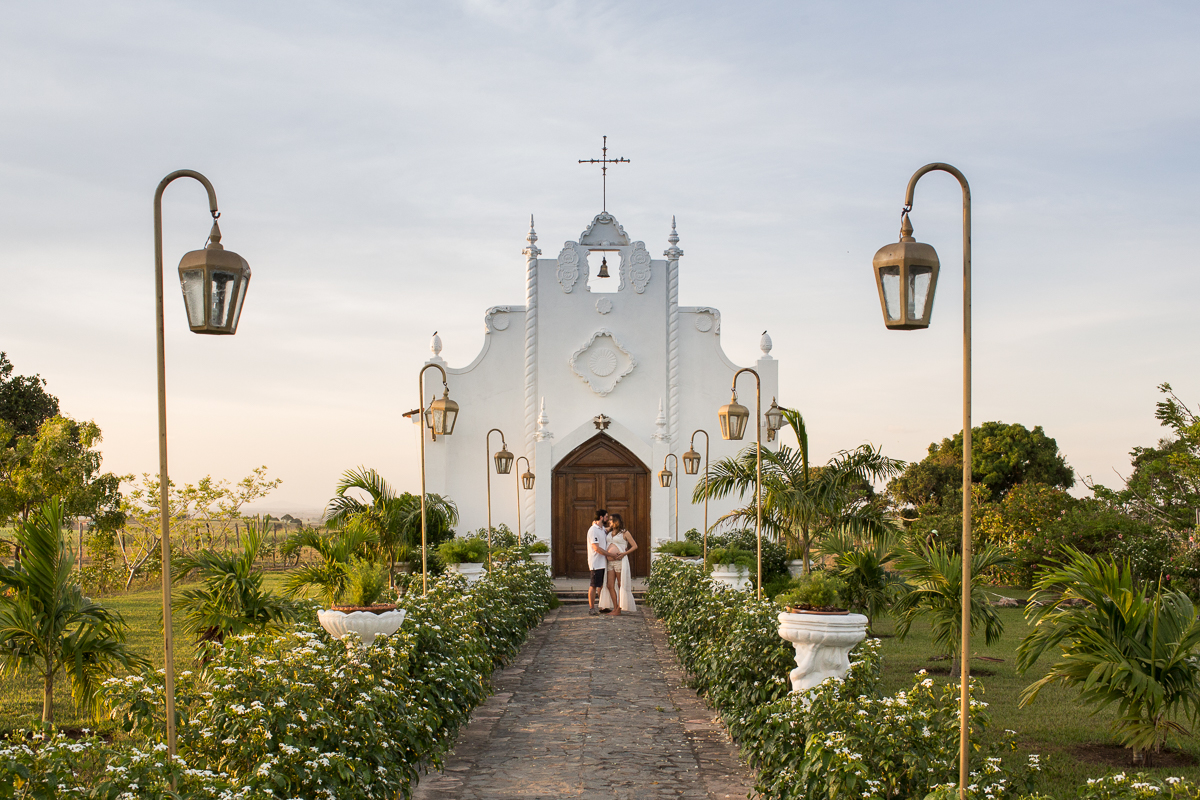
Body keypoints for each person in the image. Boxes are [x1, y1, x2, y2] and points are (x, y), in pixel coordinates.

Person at [597, 513, 638, 615]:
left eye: (611, 520)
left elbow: (634, 546)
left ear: (617, 521)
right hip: (610, 562)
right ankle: (615, 607)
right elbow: (598, 527)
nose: (609, 521)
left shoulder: (624, 532)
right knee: (610, 585)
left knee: (620, 584)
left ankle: (619, 608)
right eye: (609, 520)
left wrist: (624, 553)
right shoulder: (608, 531)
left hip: (620, 561)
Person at [586, 509, 618, 616]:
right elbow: (596, 548)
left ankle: (602, 606)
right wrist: (610, 554)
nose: (607, 519)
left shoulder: (601, 529)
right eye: (606, 517)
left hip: (603, 562)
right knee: (593, 585)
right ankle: (591, 608)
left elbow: (608, 529)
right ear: (601, 517)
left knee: (601, 586)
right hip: (596, 562)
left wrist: (617, 526)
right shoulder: (593, 530)